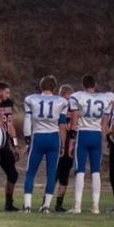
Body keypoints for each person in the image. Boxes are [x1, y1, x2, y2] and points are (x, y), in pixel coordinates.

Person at [66, 74, 114, 214]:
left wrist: (71, 141)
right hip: (96, 135)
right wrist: (104, 138)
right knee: (95, 171)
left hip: (83, 134)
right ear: (95, 84)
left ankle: (77, 206)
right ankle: (95, 206)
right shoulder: (105, 98)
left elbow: (74, 121)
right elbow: (105, 125)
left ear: (83, 85)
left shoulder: (77, 96)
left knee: (80, 170)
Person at [21, 76, 68, 213]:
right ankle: (46, 206)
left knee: (30, 172)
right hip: (54, 138)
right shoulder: (62, 101)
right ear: (54, 87)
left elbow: (27, 121)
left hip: (38, 137)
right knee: (51, 173)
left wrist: (27, 139)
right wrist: (63, 145)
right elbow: (62, 125)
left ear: (41, 86)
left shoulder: (31, 99)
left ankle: (28, 206)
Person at [0, 82, 21, 211]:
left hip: (4, 144)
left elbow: (9, 126)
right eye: (7, 92)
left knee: (13, 174)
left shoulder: (8, 103)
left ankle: (8, 203)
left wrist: (15, 146)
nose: (8, 95)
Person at [53, 84, 76, 212]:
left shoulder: (57, 106)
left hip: (58, 141)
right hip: (67, 143)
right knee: (63, 175)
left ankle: (47, 203)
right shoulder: (73, 108)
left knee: (56, 174)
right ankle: (58, 204)